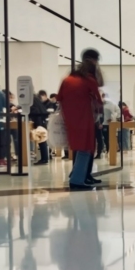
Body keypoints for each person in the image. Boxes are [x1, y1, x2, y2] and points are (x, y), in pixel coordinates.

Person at [56, 49, 104, 188]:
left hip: (70, 119)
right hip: (85, 117)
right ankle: (77, 179)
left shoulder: (67, 80)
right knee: (86, 147)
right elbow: (99, 101)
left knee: (77, 146)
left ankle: (78, 176)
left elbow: (59, 98)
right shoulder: (89, 80)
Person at [28, 93, 49, 164]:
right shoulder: (36, 98)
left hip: (38, 121)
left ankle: (44, 159)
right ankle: (44, 158)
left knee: (41, 140)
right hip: (42, 120)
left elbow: (34, 111)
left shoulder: (31, 100)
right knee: (42, 140)